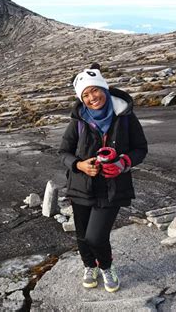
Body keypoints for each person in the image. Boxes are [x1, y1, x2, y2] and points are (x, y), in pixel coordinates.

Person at [59, 63, 148, 292]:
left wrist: (123, 163)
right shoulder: (78, 120)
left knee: (96, 237)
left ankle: (106, 267)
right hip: (81, 186)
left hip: (113, 187)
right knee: (82, 236)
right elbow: (63, 153)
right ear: (81, 98)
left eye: (95, 90)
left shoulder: (125, 117)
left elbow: (140, 149)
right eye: (85, 94)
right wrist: (79, 165)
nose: (92, 97)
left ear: (104, 89)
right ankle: (89, 266)